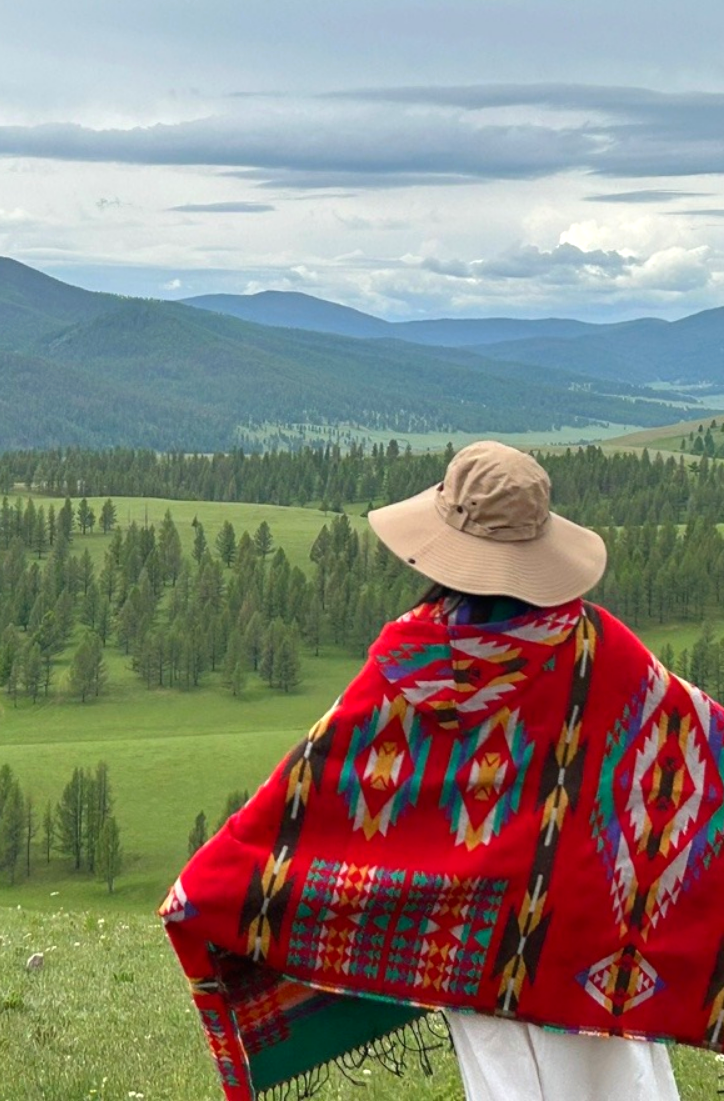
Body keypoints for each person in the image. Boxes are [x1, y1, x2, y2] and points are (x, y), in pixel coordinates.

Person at [162, 441, 724, 1101]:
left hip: (473, 952)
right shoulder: (596, 651)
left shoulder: (408, 666)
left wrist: (210, 893)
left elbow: (313, 796)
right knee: (626, 1087)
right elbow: (699, 751)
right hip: (596, 946)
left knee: (508, 1084)